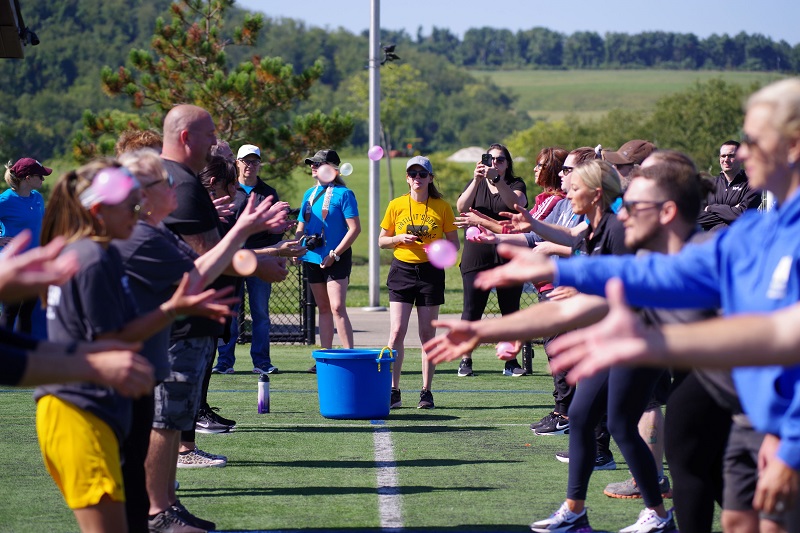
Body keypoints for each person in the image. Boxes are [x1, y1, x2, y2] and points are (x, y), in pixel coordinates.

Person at [478, 78, 800, 533]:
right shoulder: (754, 233)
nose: (742, 154)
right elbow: (651, 277)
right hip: (757, 420)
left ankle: (641, 509)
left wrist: (790, 445)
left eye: (753, 139)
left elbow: (783, 335)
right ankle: (609, 509)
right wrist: (553, 275)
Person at [429, 152, 722, 532]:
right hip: (628, 344)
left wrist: (561, 279)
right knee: (584, 417)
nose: (567, 188)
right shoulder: (606, 231)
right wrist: (495, 328)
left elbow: (616, 290)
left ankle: (656, 512)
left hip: (657, 358)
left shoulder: (640, 238)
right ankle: (580, 510)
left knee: (676, 456)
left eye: (575, 183)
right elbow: (591, 276)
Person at [35, 159, 232, 533]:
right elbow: (110, 342)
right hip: (80, 413)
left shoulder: (96, 252)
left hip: (91, 410)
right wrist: (172, 310)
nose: (138, 211)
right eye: (130, 204)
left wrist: (172, 309)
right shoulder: (92, 258)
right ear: (98, 210)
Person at [116, 148, 287, 533]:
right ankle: (157, 509)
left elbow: (204, 265)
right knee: (159, 422)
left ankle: (162, 505)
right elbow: (201, 269)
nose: (175, 191)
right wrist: (249, 238)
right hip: (110, 383)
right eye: (164, 185)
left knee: (166, 418)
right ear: (142, 194)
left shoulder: (154, 229)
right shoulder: (139, 234)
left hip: (157, 342)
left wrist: (247, 239)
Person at [379, 156, 458, 409]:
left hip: (430, 274)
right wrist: (398, 238)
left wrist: (439, 250)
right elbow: (382, 240)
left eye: (422, 174)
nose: (417, 178)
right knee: (396, 332)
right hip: (401, 270)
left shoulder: (442, 207)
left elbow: (455, 245)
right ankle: (393, 390)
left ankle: (426, 391)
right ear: (407, 178)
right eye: (412, 174)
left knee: (427, 335)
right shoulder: (396, 205)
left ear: (430, 178)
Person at [454, 143, 527, 377]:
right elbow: (461, 207)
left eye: (500, 160)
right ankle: (466, 359)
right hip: (477, 252)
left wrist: (497, 181)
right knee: (472, 308)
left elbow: (515, 205)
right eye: (490, 159)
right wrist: (476, 180)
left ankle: (510, 361)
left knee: (510, 309)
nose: (494, 163)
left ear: (507, 164)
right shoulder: (476, 184)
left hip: (508, 251)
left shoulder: (515, 184)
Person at [211, 144, 284, 375]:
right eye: (245, 161)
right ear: (237, 163)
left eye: (254, 161)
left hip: (260, 260)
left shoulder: (268, 192)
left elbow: (277, 228)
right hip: (231, 260)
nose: (249, 166)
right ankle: (224, 362)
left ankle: (261, 362)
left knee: (260, 313)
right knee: (229, 313)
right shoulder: (228, 190)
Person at [296, 149, 360, 373]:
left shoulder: (344, 194)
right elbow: (301, 227)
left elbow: (354, 229)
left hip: (336, 257)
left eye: (319, 164)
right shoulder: (309, 194)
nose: (313, 166)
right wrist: (296, 248)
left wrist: (334, 254)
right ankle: (324, 358)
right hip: (313, 257)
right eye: (312, 164)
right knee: (322, 307)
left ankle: (349, 355)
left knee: (337, 307)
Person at [0, 158, 50, 335]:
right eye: (40, 176)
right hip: (13, 265)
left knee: (26, 313)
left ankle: (26, 354)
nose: (43, 180)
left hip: (34, 263)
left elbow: (41, 226)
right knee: (9, 311)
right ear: (27, 178)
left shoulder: (37, 198)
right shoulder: (5, 200)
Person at [696, 140, 762, 231]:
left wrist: (711, 208)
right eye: (723, 156)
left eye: (731, 156)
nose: (726, 159)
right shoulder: (709, 184)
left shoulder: (753, 185)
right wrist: (731, 215)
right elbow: (695, 215)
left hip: (738, 243)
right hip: (710, 242)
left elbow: (741, 215)